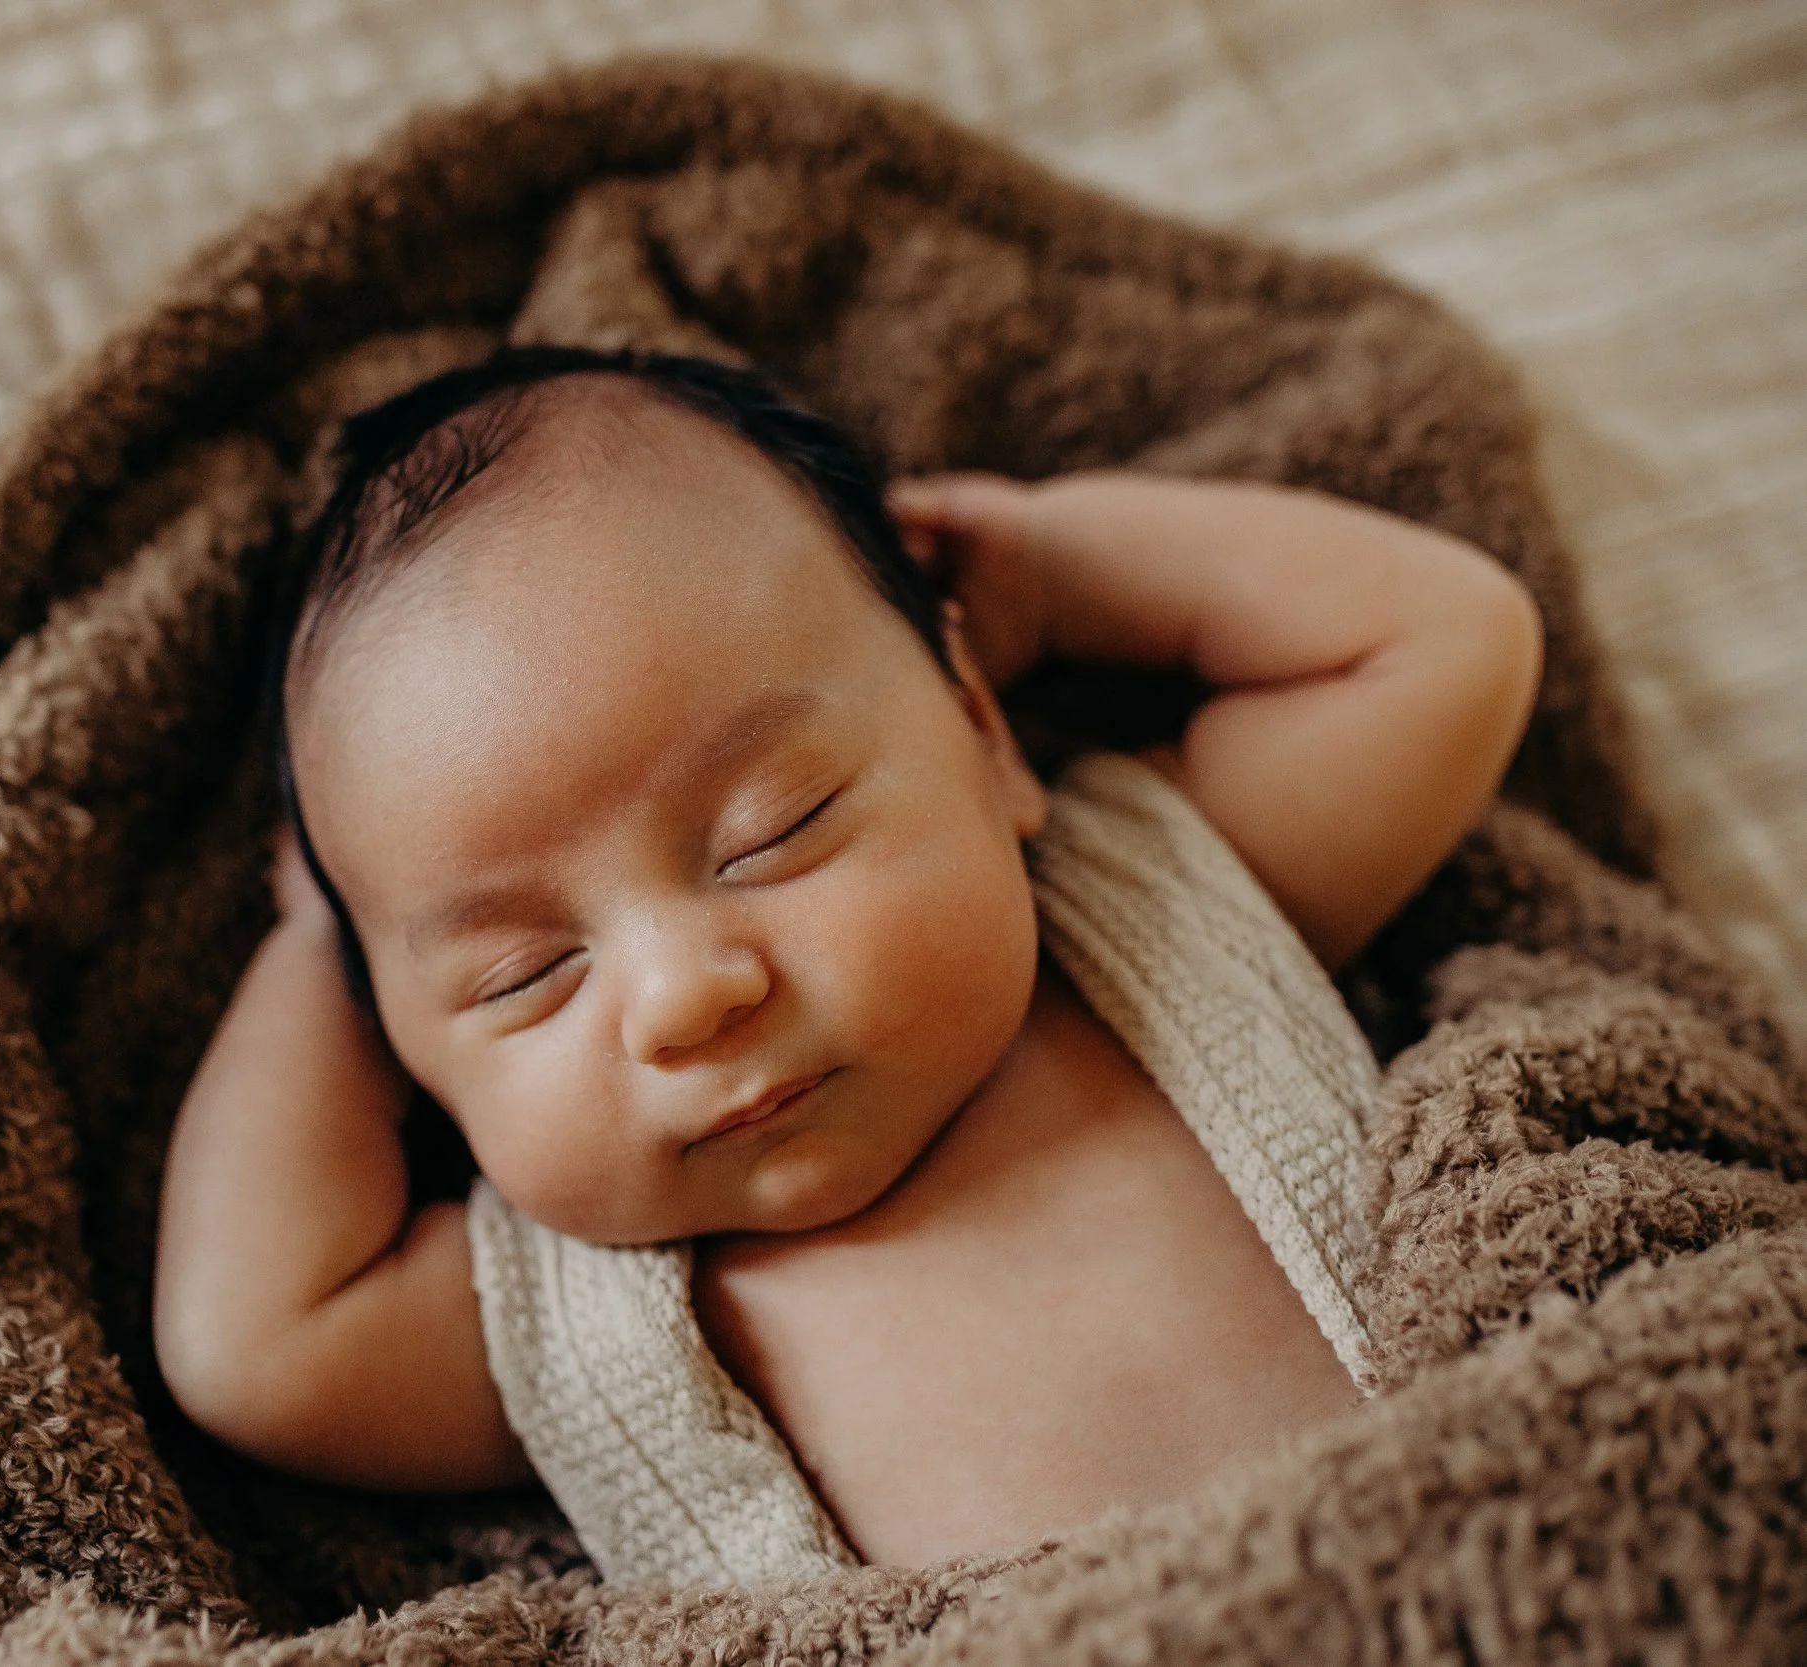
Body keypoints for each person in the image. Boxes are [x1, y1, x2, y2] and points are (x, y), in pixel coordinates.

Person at [151, 347, 1543, 1569]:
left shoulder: (1161, 912)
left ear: (985, 737)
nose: (685, 995)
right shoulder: (595, 1322)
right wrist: (315, 943)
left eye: (775, 830)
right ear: (407, 1056)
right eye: (523, 974)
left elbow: (1439, 641)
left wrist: (1054, 574)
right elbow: (246, 1343)